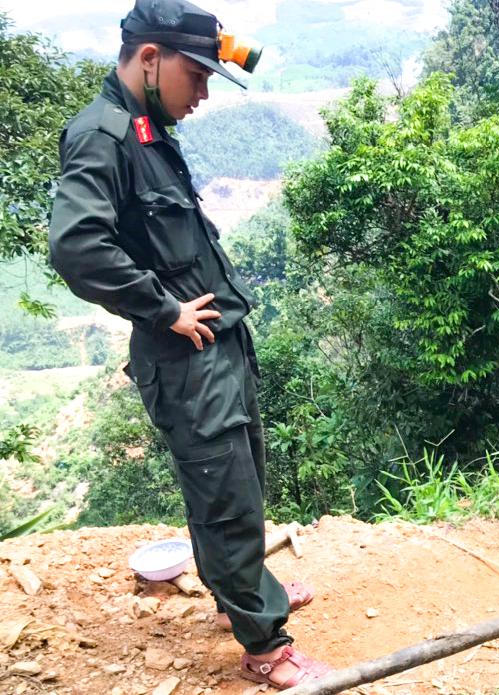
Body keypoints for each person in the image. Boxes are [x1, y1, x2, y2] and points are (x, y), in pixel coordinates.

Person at [48, 0, 329, 687]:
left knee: (240, 482)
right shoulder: (103, 133)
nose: (202, 94)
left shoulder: (145, 124)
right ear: (150, 60)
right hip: (186, 360)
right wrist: (161, 308)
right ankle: (265, 646)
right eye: (195, 77)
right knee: (225, 494)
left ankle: (245, 589)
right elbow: (75, 243)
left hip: (218, 345)